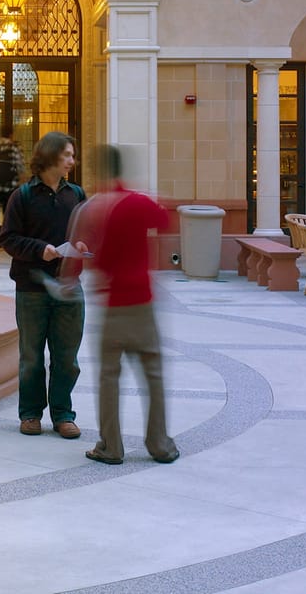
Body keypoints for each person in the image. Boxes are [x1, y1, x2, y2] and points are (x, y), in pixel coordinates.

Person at [76, 144, 180, 467]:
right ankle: (159, 443)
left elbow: (97, 258)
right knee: (153, 374)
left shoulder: (96, 208)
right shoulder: (135, 201)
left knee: (109, 375)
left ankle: (111, 446)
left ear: (97, 172)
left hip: (114, 302)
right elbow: (164, 219)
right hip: (143, 301)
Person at [0, 131, 87, 439]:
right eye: (67, 155)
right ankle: (31, 414)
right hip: (32, 288)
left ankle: (63, 414)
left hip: (69, 287)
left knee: (66, 357)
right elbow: (8, 239)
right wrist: (41, 249)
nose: (72, 161)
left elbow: (87, 233)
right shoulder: (22, 196)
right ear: (50, 156)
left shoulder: (76, 194)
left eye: (72, 155)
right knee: (32, 356)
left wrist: (82, 246)